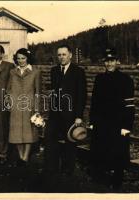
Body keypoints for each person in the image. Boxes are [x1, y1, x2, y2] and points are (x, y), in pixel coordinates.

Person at [89, 48, 135, 189]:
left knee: (118, 151)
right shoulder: (99, 79)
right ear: (104, 62)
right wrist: (92, 121)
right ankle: (101, 178)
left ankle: (117, 180)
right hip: (101, 122)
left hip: (118, 123)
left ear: (117, 62)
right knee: (101, 149)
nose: (109, 64)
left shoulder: (126, 80)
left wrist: (126, 126)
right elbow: (95, 102)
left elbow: (129, 105)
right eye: (107, 61)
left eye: (112, 61)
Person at [44, 44, 87, 175]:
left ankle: (68, 169)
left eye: (64, 54)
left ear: (70, 55)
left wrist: (79, 116)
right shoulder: (54, 70)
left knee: (70, 142)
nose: (61, 57)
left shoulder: (78, 72)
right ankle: (52, 168)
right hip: (55, 113)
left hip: (71, 114)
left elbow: (81, 95)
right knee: (51, 140)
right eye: (59, 55)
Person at [6, 48, 41, 166]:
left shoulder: (35, 72)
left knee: (28, 133)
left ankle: (25, 157)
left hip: (29, 106)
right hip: (15, 106)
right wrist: (9, 101)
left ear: (28, 58)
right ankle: (20, 156)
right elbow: (8, 89)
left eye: (23, 58)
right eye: (18, 58)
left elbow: (38, 91)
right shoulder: (12, 72)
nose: (21, 61)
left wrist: (36, 109)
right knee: (16, 134)